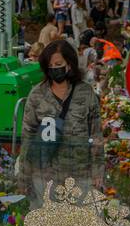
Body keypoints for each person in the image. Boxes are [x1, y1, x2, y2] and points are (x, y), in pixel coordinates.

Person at [20, 37, 102, 200]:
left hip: (79, 175)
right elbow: (27, 137)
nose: (54, 69)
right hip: (45, 176)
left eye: (58, 65)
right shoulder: (37, 95)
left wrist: (97, 171)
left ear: (69, 64)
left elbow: (96, 135)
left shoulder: (85, 93)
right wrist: (24, 177)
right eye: (50, 66)